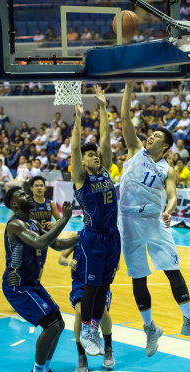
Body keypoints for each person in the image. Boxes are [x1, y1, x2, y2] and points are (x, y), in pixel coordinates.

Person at [119, 81, 190, 358]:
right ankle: (150, 329)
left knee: (172, 269)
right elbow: (124, 120)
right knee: (138, 277)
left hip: (155, 221)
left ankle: (189, 320)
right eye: (151, 133)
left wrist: (170, 209)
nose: (150, 137)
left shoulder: (167, 169)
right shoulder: (135, 150)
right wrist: (127, 89)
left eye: (156, 136)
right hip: (128, 222)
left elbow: (171, 195)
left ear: (166, 145)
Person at [2, 187, 78, 372]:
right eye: (22, 195)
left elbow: (56, 243)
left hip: (31, 282)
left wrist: (83, 237)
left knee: (59, 323)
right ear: (15, 205)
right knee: (51, 325)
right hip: (17, 286)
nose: (28, 195)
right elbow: (40, 242)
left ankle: (46, 371)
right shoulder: (15, 224)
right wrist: (64, 220)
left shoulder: (33, 223)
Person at [71, 86, 120, 356]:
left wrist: (103, 108)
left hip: (113, 236)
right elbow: (75, 149)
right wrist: (78, 118)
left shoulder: (106, 172)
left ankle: (96, 327)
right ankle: (89, 329)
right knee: (91, 285)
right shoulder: (82, 178)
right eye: (90, 155)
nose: (95, 156)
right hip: (93, 237)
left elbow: (105, 140)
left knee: (103, 285)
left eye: (96, 154)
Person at [58, 233, 115, 372]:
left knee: (102, 311)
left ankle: (108, 348)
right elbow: (61, 258)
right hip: (80, 283)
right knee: (79, 312)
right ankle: (81, 356)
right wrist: (68, 262)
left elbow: (116, 265)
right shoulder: (77, 237)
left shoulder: (105, 237)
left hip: (99, 281)